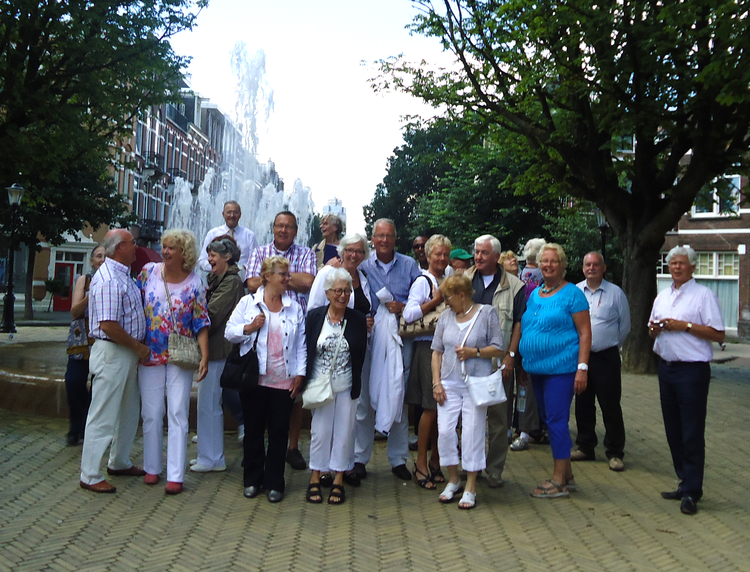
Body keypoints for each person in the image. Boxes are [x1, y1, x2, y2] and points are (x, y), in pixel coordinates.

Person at [649, 245, 725, 516]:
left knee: (691, 430)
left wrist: (686, 326)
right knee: (673, 429)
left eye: (682, 263)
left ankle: (693, 490)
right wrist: (655, 329)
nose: (676, 267)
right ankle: (684, 480)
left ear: (693, 267)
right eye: (672, 264)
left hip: (692, 371)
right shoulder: (662, 296)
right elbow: (651, 330)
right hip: (666, 368)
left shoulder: (703, 295)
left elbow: (719, 334)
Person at [226, 256, 306, 503]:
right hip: (254, 378)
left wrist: (300, 374)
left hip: (283, 379)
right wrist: (249, 327)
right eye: (282, 274)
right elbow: (230, 332)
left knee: (279, 433)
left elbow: (301, 345)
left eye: (287, 274)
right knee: (253, 431)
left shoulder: (294, 307)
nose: (287, 278)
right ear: (268, 276)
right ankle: (252, 480)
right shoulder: (248, 303)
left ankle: (275, 483)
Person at [137, 229, 210, 494]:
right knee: (151, 412)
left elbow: (201, 321)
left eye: (172, 248)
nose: (165, 252)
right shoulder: (148, 273)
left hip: (180, 355)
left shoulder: (195, 283)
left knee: (178, 412)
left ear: (185, 253)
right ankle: (152, 468)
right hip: (149, 352)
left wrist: (205, 355)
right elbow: (134, 305)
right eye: (164, 247)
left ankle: (176, 475)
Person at [80, 229, 149, 493]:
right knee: (103, 414)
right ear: (119, 247)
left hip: (124, 352)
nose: (136, 247)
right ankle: (89, 474)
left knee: (128, 411)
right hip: (114, 351)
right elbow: (108, 324)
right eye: (132, 243)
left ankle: (119, 461)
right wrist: (138, 347)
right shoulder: (109, 278)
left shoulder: (122, 275)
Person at [520, 243, 591, 499]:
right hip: (536, 370)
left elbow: (584, 333)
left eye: (553, 261)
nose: (548, 265)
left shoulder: (572, 294)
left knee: (557, 422)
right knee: (551, 422)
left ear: (562, 265)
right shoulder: (535, 294)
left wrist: (582, 368)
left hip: (561, 369)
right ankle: (568, 475)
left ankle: (559, 480)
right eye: (544, 261)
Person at [246, 211, 316, 470]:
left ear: (296, 231)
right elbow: (252, 283)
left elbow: (309, 282)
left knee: (293, 391)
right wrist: (290, 279)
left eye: (289, 227)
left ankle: (292, 447)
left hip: (296, 328)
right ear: (273, 228)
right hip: (262, 328)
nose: (283, 230)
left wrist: (274, 278)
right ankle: (258, 448)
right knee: (262, 391)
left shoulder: (307, 253)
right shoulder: (258, 251)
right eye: (279, 226)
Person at [354, 218, 422, 482]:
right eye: (379, 236)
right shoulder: (362, 265)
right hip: (369, 337)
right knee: (363, 399)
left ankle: (397, 459)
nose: (383, 240)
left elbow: (424, 294)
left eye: (388, 236)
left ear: (395, 238)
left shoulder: (409, 265)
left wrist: (403, 306)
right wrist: (365, 318)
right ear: (373, 238)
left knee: (398, 394)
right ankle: (360, 458)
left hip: (400, 338)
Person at [432, 274, 504, 509]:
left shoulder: (487, 313)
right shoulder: (445, 317)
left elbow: (498, 347)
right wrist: (436, 382)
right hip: (448, 383)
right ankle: (453, 479)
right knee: (444, 432)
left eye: (448, 297)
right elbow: (437, 352)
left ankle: (471, 485)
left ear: (462, 295)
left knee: (472, 434)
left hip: (476, 384)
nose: (445, 302)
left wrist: (475, 352)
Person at [463, 235, 525, 488]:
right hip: (468, 361)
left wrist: (510, 356)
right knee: (468, 418)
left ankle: (495, 470)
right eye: (477, 252)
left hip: (498, 364)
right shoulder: (464, 280)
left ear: (496, 257)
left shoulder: (515, 286)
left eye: (484, 253)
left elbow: (519, 323)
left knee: (499, 420)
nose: (478, 257)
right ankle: (470, 467)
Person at [304, 268, 368, 505]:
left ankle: (339, 478)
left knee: (344, 433)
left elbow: (360, 354)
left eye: (347, 290)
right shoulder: (314, 317)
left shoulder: (358, 320)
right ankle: (315, 476)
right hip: (320, 385)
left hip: (346, 386)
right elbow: (307, 349)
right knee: (319, 433)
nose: (343, 295)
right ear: (328, 293)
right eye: (338, 291)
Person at [572, 252, 631, 471]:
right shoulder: (575, 291)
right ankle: (585, 446)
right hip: (581, 357)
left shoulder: (616, 293)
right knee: (583, 403)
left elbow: (624, 326)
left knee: (610, 404)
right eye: (588, 264)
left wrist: (611, 344)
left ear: (604, 267)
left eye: (596, 264)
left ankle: (615, 452)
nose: (592, 268)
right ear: (583, 267)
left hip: (606, 357)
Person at [190, 236, 244, 473]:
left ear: (227, 257)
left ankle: (212, 459)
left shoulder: (231, 282)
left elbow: (211, 314)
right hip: (213, 350)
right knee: (207, 403)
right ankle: (207, 454)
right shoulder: (218, 279)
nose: (209, 258)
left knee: (210, 403)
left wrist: (188, 314)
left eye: (213, 254)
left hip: (218, 351)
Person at [404, 234, 452, 489]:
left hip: (449, 350)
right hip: (427, 348)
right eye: (437, 254)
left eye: (445, 254)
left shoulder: (451, 277)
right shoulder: (423, 281)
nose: (442, 258)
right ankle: (421, 462)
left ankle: (436, 461)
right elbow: (409, 313)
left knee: (443, 408)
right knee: (430, 407)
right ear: (429, 255)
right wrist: (436, 300)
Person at [64, 244, 105, 446]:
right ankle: (75, 423)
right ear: (91, 260)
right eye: (98, 256)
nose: (101, 260)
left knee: (98, 387)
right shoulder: (84, 280)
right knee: (73, 382)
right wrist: (91, 295)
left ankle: (86, 428)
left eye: (105, 256)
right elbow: (74, 312)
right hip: (81, 342)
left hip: (103, 342)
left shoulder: (112, 282)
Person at [197, 201, 257, 275]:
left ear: (240, 215)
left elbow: (256, 262)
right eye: (229, 212)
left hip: (242, 281)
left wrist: (241, 269)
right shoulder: (212, 234)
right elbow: (202, 261)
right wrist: (219, 268)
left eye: (235, 212)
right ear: (223, 214)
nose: (232, 215)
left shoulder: (249, 235)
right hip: (218, 282)